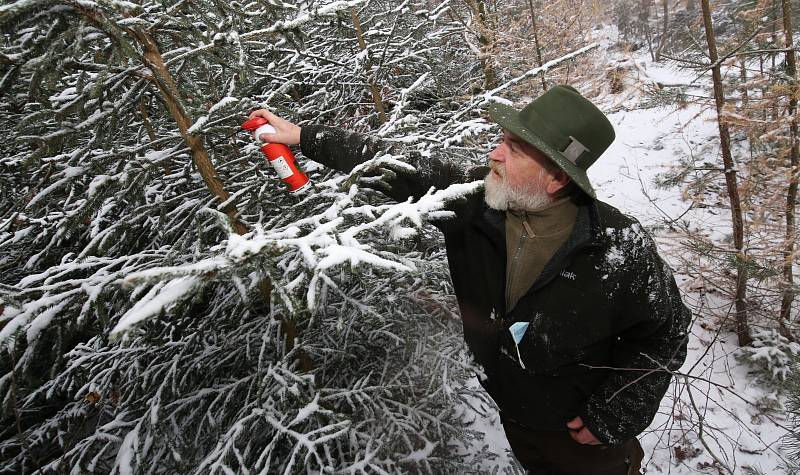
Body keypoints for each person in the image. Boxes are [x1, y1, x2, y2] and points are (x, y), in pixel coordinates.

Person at [249, 85, 691, 475]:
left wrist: (615, 414)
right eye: (503, 140)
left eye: (514, 149)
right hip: (514, 413)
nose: (494, 154)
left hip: (583, 442)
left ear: (557, 177)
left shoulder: (616, 246)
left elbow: (666, 331)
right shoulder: (474, 204)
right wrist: (303, 137)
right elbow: (392, 162)